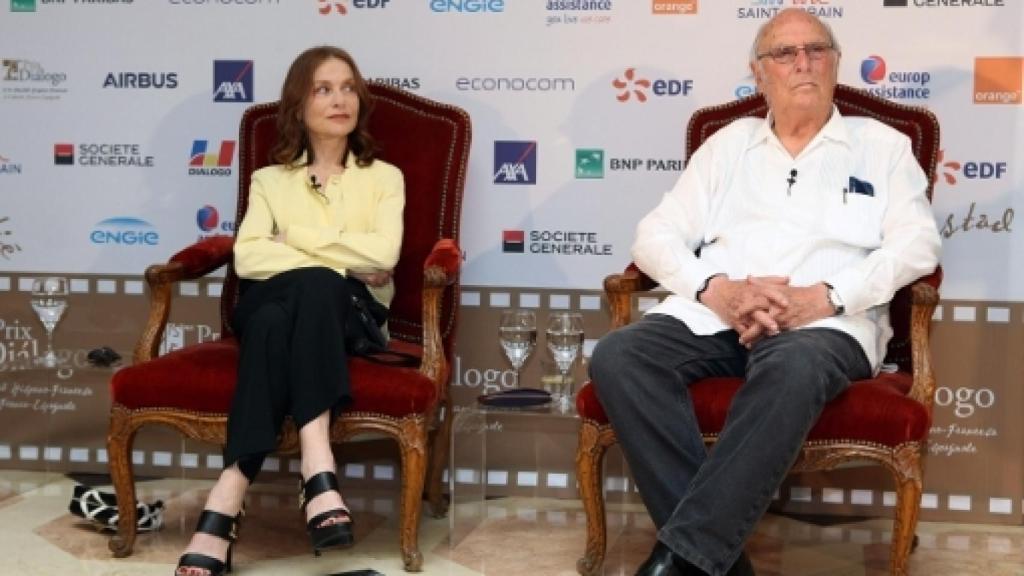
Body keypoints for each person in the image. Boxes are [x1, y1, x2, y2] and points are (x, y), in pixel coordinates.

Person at [588, 9, 940, 576]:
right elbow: (653, 236)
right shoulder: (728, 146)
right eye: (785, 53)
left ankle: (682, 557)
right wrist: (717, 290)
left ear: (836, 63)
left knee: (793, 366)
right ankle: (712, 561)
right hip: (718, 316)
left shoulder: (884, 147)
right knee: (619, 356)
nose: (803, 63)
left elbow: (917, 246)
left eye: (816, 50)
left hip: (825, 325)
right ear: (758, 72)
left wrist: (828, 295)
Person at [174, 46, 404, 576]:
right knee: (304, 292)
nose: (340, 100)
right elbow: (249, 258)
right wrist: (344, 262)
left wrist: (293, 238)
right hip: (275, 297)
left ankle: (227, 497)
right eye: (323, 89)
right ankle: (317, 467)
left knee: (290, 310)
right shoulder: (270, 180)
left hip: (348, 316)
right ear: (299, 104)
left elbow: (383, 255)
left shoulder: (383, 177)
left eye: (348, 88)